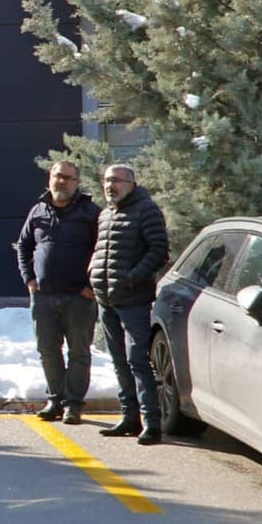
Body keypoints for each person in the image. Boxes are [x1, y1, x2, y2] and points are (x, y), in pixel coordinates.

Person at [88, 163, 170, 445]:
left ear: (131, 184)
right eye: (107, 181)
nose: (111, 186)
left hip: (133, 299)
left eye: (118, 181)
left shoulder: (146, 210)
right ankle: (129, 417)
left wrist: (132, 278)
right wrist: (93, 273)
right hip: (107, 298)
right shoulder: (105, 214)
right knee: (119, 360)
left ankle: (152, 422)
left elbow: (159, 251)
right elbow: (102, 249)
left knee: (138, 360)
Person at [14, 161, 101, 424]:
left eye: (68, 177)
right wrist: (29, 279)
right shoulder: (38, 210)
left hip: (79, 298)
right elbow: (24, 246)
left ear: (77, 182)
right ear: (49, 178)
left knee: (78, 352)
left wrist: (93, 286)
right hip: (44, 297)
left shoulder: (90, 212)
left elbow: (104, 251)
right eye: (57, 176)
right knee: (48, 350)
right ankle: (55, 399)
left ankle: (73, 405)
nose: (61, 181)